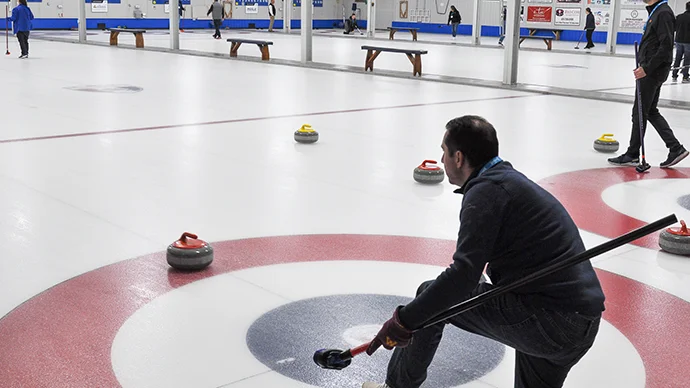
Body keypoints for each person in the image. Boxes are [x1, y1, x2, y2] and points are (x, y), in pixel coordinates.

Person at [362, 116, 605, 388]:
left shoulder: (486, 192)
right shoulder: (505, 181)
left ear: (458, 157)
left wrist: (404, 321)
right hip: (577, 322)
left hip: (549, 320)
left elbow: (463, 276)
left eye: (443, 151)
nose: (441, 160)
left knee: (429, 302)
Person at [608, 0, 688, 168]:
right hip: (652, 70)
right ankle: (675, 148)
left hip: (653, 72)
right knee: (649, 111)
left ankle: (632, 154)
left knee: (639, 112)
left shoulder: (663, 13)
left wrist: (647, 68)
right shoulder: (657, 12)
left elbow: (666, 47)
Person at [672, 1, 690, 82]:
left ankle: (674, 75)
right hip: (688, 41)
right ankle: (685, 76)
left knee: (678, 57)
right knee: (687, 59)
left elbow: (674, 28)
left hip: (678, 40)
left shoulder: (679, 17)